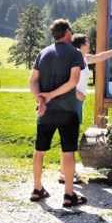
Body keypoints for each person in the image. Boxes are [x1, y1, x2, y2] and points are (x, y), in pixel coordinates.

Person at [29, 19, 87, 207]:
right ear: (68, 32)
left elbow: (32, 81)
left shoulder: (43, 53)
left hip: (45, 112)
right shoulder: (75, 53)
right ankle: (69, 195)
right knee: (68, 152)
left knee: (39, 151)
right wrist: (51, 96)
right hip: (68, 111)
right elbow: (73, 81)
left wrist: (41, 100)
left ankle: (37, 189)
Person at [57, 33, 112, 184]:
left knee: (70, 136)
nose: (89, 43)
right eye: (87, 41)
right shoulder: (71, 59)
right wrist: (75, 92)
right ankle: (66, 173)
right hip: (70, 102)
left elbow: (101, 56)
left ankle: (65, 170)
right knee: (69, 136)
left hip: (77, 103)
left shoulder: (85, 58)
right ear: (81, 44)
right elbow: (62, 80)